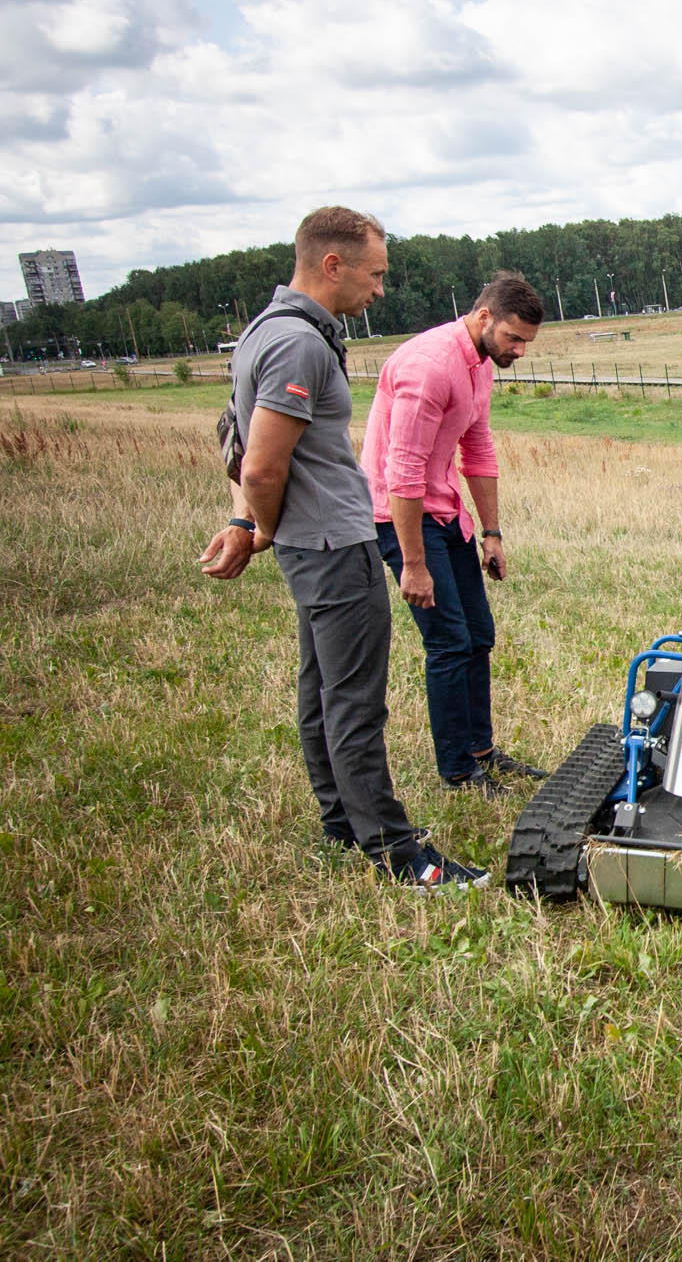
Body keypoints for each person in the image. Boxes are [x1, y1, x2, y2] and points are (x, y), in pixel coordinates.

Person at [199, 206, 485, 890]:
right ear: (333, 264)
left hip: (309, 542)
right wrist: (258, 523)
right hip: (332, 542)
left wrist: (254, 523)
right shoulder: (298, 345)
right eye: (375, 273)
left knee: (321, 688)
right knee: (355, 700)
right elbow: (262, 466)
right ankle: (396, 849)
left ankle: (340, 821)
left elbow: (235, 445)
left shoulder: (262, 333)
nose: (380, 289)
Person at [360, 271, 549, 795]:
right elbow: (402, 471)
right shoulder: (429, 367)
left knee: (479, 636)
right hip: (402, 514)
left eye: (527, 342)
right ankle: (458, 771)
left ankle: (482, 751)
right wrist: (414, 564)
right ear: (483, 317)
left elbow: (479, 451)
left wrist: (492, 532)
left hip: (445, 511)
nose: (520, 351)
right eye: (514, 338)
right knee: (449, 643)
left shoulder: (481, 365)